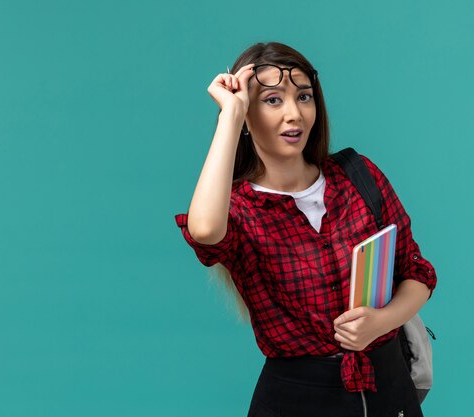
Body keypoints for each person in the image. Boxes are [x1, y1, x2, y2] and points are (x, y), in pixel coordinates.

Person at [174, 42, 437, 417]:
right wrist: (231, 114)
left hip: (389, 391)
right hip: (297, 399)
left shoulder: (358, 177)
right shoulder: (240, 210)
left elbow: (417, 272)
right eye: (272, 100)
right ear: (248, 113)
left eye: (303, 96)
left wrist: (382, 321)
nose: (294, 114)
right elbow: (203, 230)